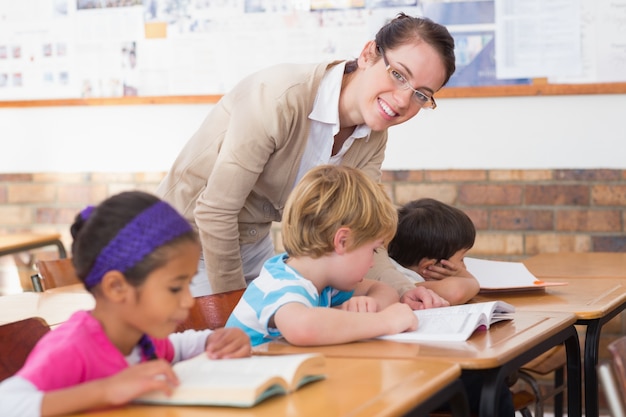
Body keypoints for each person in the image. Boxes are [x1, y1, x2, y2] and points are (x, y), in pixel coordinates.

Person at [156, 12, 456, 307]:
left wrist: (404, 289)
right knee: (232, 344)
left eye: (421, 95)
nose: (403, 100)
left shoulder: (373, 135)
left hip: (250, 243)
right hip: (184, 242)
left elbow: (363, 227)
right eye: (398, 75)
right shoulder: (278, 97)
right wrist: (237, 308)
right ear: (368, 54)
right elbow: (215, 212)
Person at [0, 191, 251, 417]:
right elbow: (6, 404)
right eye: (175, 288)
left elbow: (175, 347)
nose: (188, 299)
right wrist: (106, 390)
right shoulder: (72, 348)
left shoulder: (141, 338)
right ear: (116, 287)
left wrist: (211, 341)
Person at [225, 165, 418, 347]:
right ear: (343, 241)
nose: (371, 263)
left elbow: (384, 290)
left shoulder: (324, 284)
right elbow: (304, 328)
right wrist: (384, 321)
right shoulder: (281, 284)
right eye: (373, 250)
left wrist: (370, 305)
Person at [366, 197, 480, 306]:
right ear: (428, 267)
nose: (464, 267)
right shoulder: (403, 280)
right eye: (461, 259)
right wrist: (470, 280)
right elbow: (455, 293)